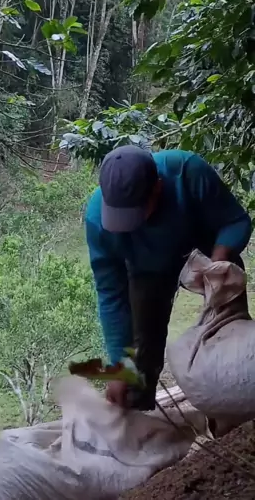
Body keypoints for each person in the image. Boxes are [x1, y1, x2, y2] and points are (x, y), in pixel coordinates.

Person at [85, 145, 252, 411]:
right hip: (148, 269)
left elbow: (236, 221)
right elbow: (111, 294)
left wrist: (219, 261)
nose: (129, 225)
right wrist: (118, 364)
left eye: (136, 214)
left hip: (209, 254)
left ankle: (236, 407)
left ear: (158, 188)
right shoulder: (97, 221)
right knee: (141, 350)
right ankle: (138, 418)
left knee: (229, 335)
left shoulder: (188, 173)